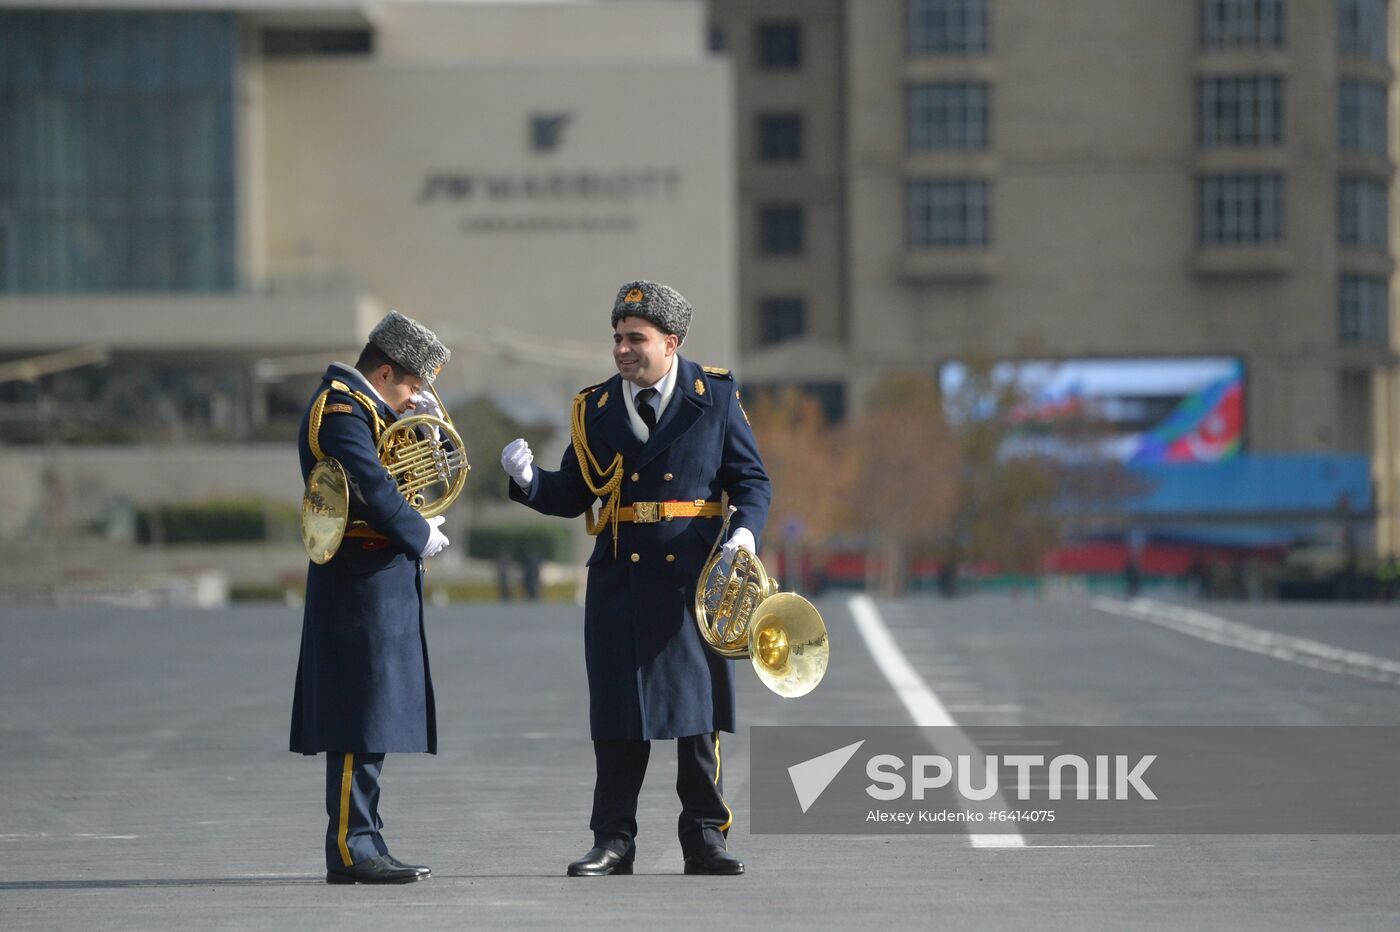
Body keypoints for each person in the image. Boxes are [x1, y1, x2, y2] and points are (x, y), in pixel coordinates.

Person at [500, 280, 771, 877]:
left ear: (670, 343)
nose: (623, 350)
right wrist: (527, 481)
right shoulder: (594, 408)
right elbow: (573, 494)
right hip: (621, 577)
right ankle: (613, 839)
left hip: (695, 582)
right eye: (618, 338)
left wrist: (746, 534)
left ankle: (705, 837)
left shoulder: (715, 395)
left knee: (699, 718)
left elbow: (751, 481)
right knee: (621, 719)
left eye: (636, 339)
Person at [291, 310, 453, 885]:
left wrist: (427, 434)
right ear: (384, 373)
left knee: (373, 714)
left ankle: (365, 836)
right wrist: (418, 530)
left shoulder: (363, 407)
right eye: (412, 386)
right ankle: (351, 844)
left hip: (376, 574)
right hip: (357, 575)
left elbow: (399, 476)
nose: (412, 399)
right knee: (357, 714)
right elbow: (368, 482)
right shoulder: (341, 408)